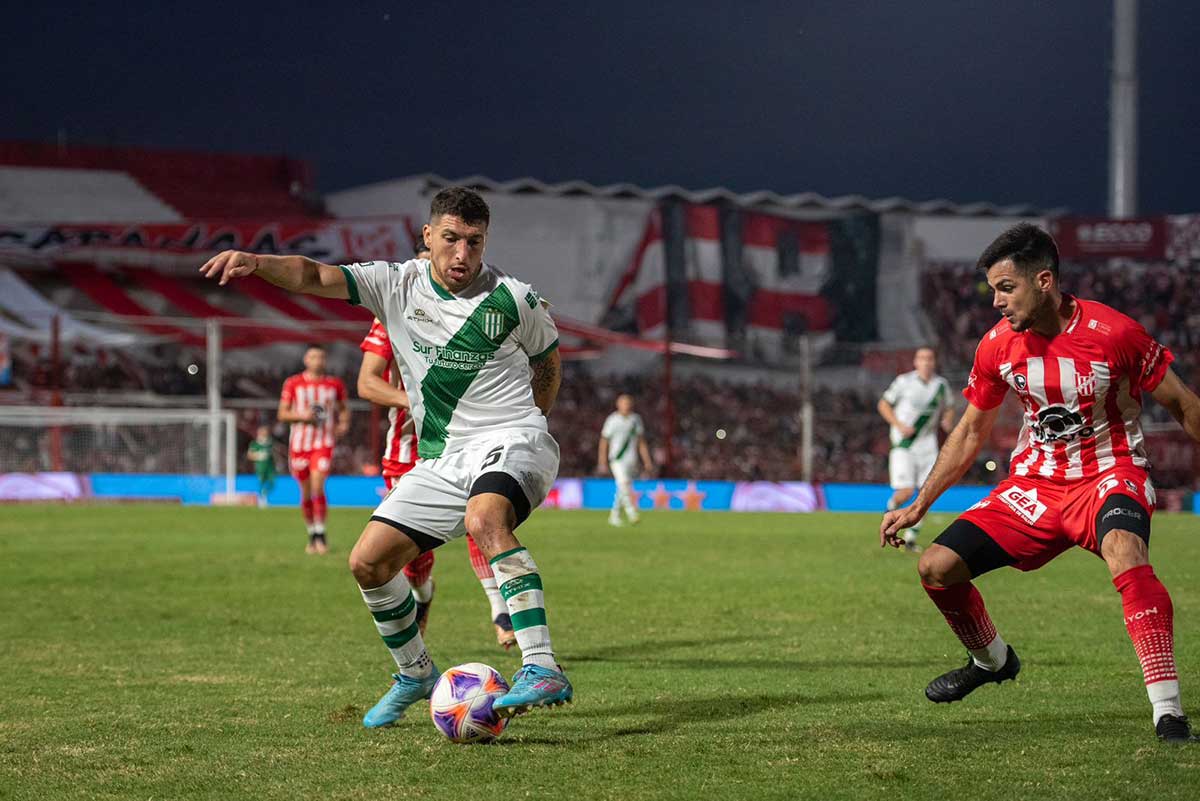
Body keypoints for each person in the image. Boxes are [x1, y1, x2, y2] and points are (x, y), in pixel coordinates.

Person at [202, 186, 571, 727]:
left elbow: (548, 362)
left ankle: (541, 665)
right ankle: (416, 672)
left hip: (512, 438)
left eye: (474, 241)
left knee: (485, 518)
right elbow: (312, 275)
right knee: (368, 562)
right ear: (428, 236)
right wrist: (257, 263)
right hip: (443, 456)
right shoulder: (395, 285)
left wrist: (532, 422)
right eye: (450, 239)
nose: (462, 254)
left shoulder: (514, 298)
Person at [880, 223, 1200, 743]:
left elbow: (1184, 404)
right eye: (992, 292)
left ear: (1044, 281)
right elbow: (968, 433)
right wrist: (919, 504)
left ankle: (1168, 712)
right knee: (936, 568)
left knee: (1126, 551)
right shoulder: (996, 347)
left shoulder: (1115, 334)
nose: (996, 303)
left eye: (1006, 288)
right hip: (1035, 485)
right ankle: (992, 661)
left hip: (1109, 473)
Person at [358, 256, 518, 649]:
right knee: (411, 560)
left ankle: (500, 610)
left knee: (481, 520)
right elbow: (366, 383)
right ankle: (422, 593)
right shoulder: (392, 314)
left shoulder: (478, 314)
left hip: (468, 441)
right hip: (408, 450)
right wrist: (413, 401)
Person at [876, 347, 954, 551]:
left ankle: (910, 539)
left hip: (928, 446)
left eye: (929, 358)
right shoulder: (904, 382)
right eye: (922, 358)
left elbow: (950, 407)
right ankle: (889, 515)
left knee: (925, 495)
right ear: (915, 362)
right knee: (906, 491)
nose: (926, 362)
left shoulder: (941, 386)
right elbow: (883, 404)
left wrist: (947, 420)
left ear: (934, 362)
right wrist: (899, 425)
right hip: (904, 444)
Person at [278, 344, 350, 554]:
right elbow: (282, 414)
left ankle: (321, 534)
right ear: (306, 360)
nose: (317, 360)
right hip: (300, 444)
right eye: (313, 357)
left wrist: (343, 424)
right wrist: (302, 417)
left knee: (318, 484)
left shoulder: (334, 384)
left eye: (321, 357)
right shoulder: (293, 383)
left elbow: (344, 409)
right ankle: (312, 534)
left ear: (324, 361)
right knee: (306, 491)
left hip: (323, 442)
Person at [597, 393, 653, 526]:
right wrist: (602, 461)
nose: (626, 406)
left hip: (631, 459)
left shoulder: (636, 420)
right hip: (616, 458)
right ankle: (632, 513)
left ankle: (614, 515)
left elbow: (641, 442)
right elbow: (604, 441)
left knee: (623, 487)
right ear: (618, 404)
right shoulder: (612, 420)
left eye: (628, 403)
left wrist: (647, 461)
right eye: (623, 403)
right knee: (623, 483)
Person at [246, 425, 277, 507]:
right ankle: (261, 499)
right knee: (261, 482)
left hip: (270, 467)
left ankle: (264, 494)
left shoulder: (269, 443)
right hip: (260, 467)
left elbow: (273, 454)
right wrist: (258, 456)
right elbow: (249, 455)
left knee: (272, 482)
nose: (264, 433)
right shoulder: (255, 444)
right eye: (262, 431)